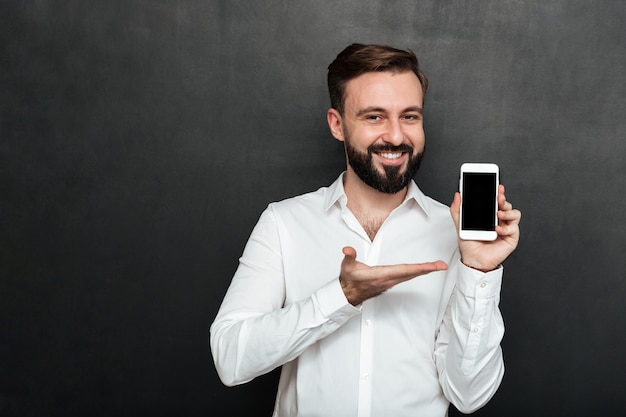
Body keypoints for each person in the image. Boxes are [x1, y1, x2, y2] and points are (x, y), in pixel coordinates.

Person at [210, 43, 521, 417]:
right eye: (374, 117)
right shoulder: (284, 223)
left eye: (409, 117)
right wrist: (341, 297)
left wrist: (478, 272)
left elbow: (469, 395)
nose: (395, 136)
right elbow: (230, 359)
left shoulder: (456, 237)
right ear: (337, 124)